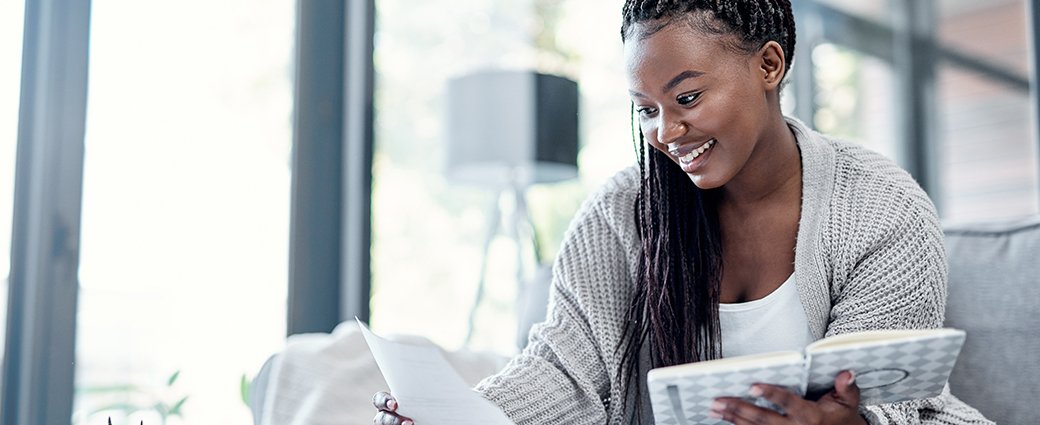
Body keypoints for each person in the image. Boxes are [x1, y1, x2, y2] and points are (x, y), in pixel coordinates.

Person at [373, 0, 993, 424]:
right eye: (645, 108)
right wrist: (453, 411)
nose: (666, 132)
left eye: (687, 97)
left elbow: (883, 396)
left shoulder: (881, 206)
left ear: (769, 66)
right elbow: (566, 372)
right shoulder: (621, 214)